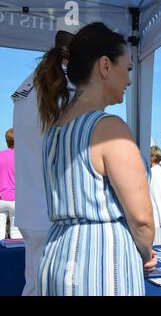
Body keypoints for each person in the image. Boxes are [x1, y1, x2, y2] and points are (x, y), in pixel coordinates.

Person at [34, 22, 156, 295]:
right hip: (101, 263)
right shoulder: (108, 128)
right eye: (126, 69)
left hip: (56, 257)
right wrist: (147, 252)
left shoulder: (54, 128)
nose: (129, 80)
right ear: (104, 66)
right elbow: (141, 219)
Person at [12, 29, 74, 296]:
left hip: (31, 207)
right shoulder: (66, 88)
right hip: (57, 209)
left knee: (35, 285)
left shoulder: (31, 84)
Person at [0, 129, 22, 240]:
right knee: (16, 236)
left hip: (1, 199)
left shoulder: (0, 155)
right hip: (16, 200)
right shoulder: (22, 157)